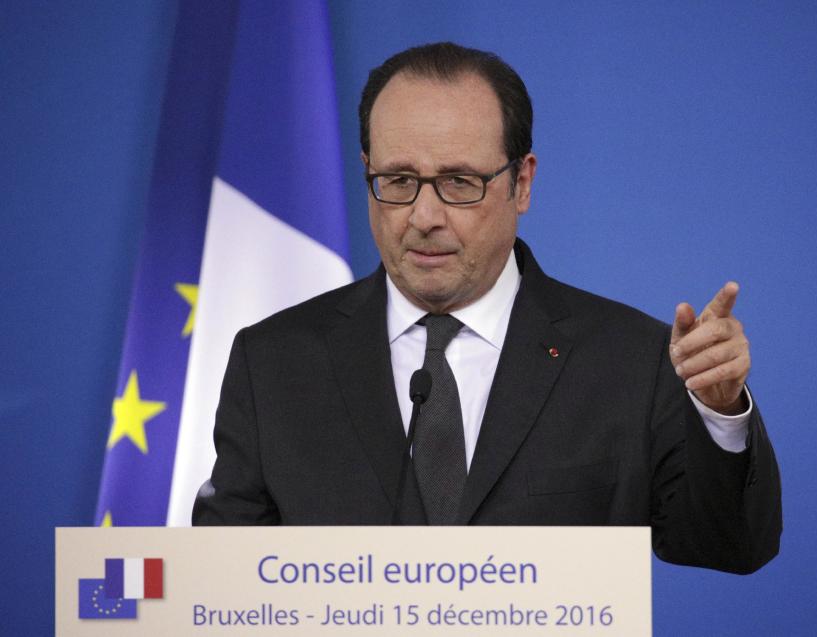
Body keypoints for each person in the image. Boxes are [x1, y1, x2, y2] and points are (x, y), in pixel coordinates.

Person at [193, 42, 781, 574]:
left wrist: (718, 411)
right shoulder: (273, 362)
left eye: (459, 182)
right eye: (398, 180)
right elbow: (223, 582)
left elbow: (728, 546)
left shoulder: (630, 360)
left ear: (521, 183)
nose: (423, 216)